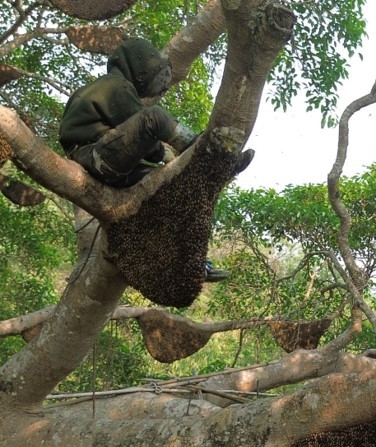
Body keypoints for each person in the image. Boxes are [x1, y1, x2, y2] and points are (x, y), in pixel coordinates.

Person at [58, 37, 253, 283]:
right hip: (94, 155)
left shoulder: (115, 88)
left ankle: (194, 262)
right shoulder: (114, 85)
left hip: (110, 160)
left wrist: (162, 157)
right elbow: (145, 134)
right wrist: (164, 152)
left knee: (173, 191)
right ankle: (211, 154)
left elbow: (132, 139)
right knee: (155, 118)